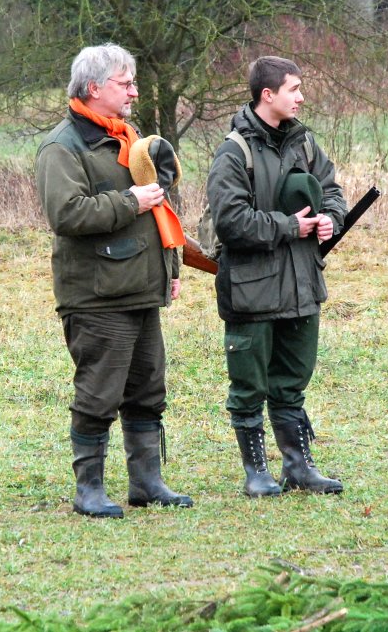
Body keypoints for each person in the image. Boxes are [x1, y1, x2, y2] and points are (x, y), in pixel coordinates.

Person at [35, 43, 193, 518]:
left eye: (133, 83)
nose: (134, 92)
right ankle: (89, 491)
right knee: (98, 394)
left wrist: (170, 269)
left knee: (148, 390)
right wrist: (129, 201)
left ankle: (147, 484)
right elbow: (66, 214)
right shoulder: (62, 147)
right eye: (125, 84)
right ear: (93, 88)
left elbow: (159, 210)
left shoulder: (130, 139)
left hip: (141, 288)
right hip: (97, 296)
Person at [205, 55, 348, 497]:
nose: (301, 97)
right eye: (293, 89)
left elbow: (332, 191)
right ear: (267, 95)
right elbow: (230, 222)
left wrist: (330, 219)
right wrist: (291, 227)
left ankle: (298, 468)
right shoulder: (234, 152)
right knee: (248, 387)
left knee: (291, 384)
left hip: (302, 285)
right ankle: (256, 474)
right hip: (251, 292)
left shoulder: (305, 144)